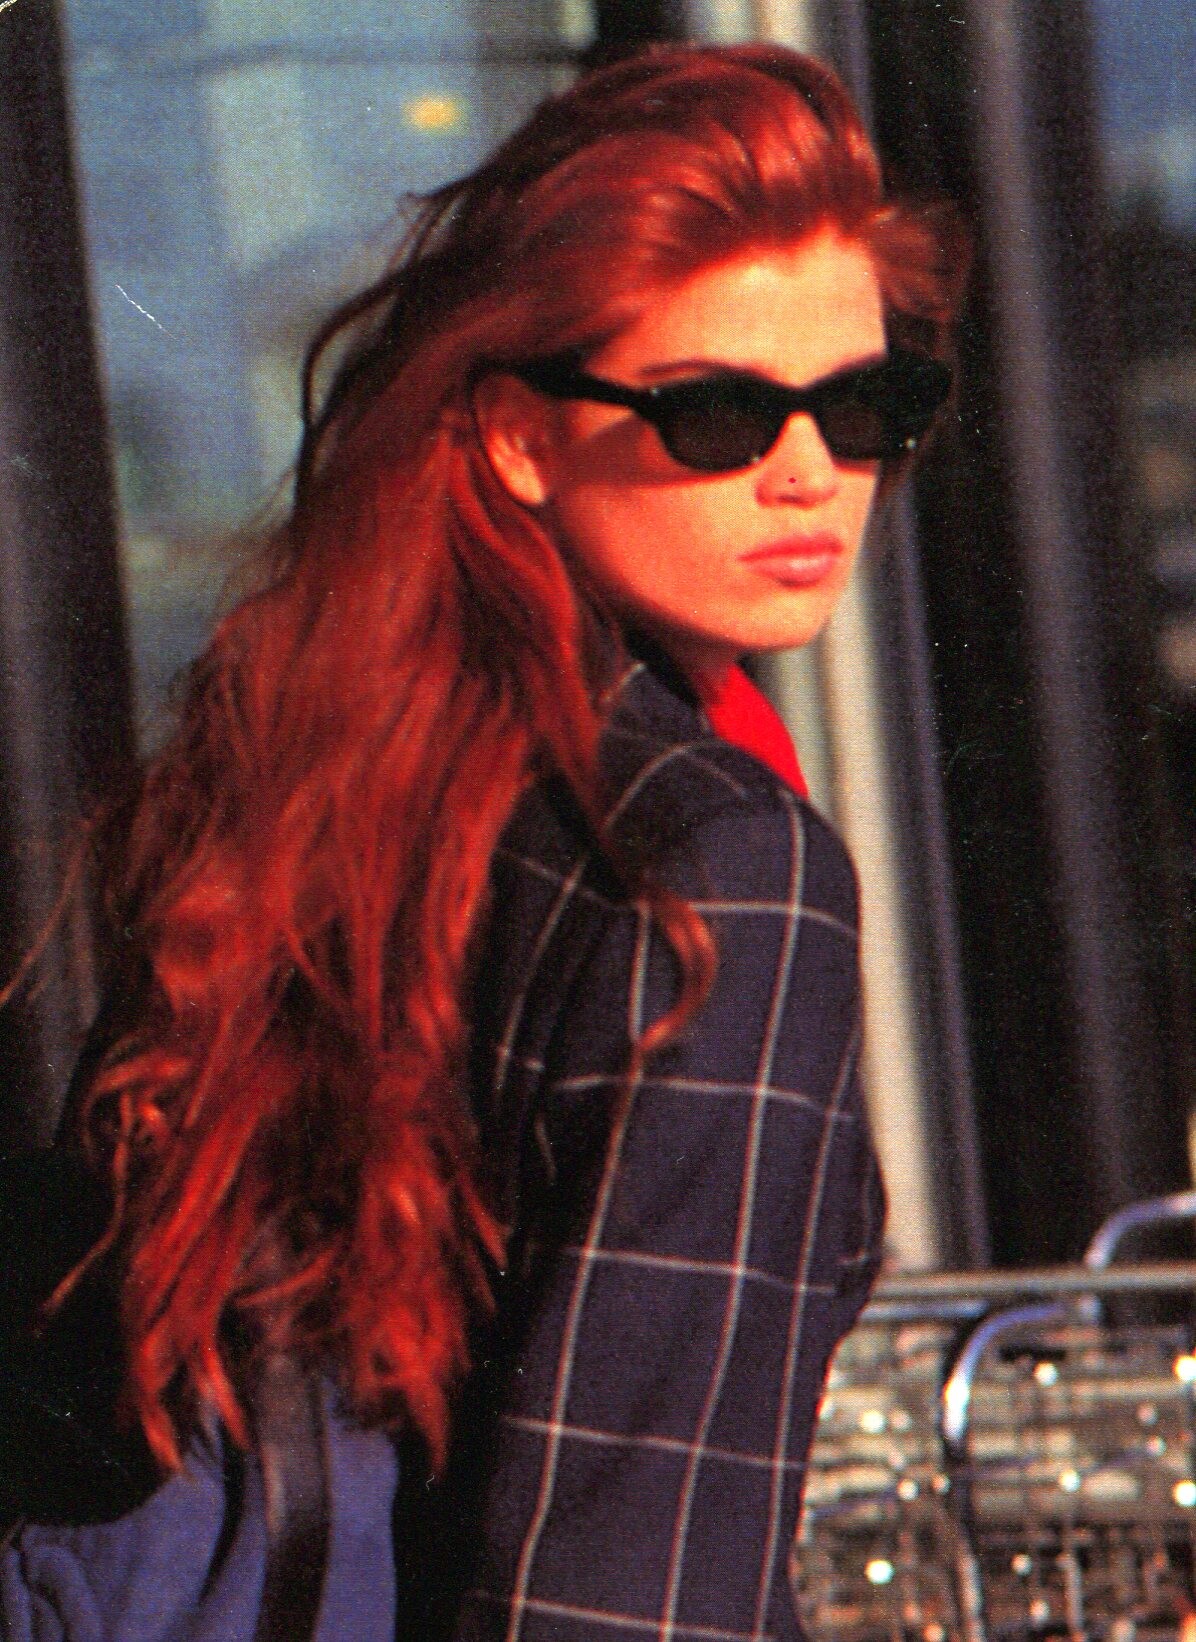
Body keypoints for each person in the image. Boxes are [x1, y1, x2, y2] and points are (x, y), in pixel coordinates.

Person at [0, 40, 962, 1642]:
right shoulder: (725, 867)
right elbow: (626, 1585)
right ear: (516, 435)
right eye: (717, 412)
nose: (809, 472)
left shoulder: (318, 776)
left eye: (866, 407)